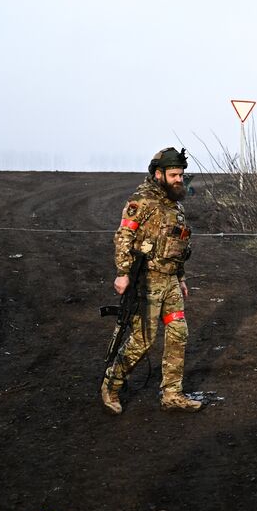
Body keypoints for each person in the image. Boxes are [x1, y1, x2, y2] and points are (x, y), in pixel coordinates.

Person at [100, 147, 203, 414]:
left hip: (170, 281)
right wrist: (123, 273)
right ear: (159, 174)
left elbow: (177, 243)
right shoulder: (142, 201)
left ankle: (172, 393)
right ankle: (111, 384)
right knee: (143, 340)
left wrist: (180, 278)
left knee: (179, 333)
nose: (179, 179)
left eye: (181, 174)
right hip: (146, 280)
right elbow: (124, 236)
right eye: (174, 175)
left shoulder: (175, 205)